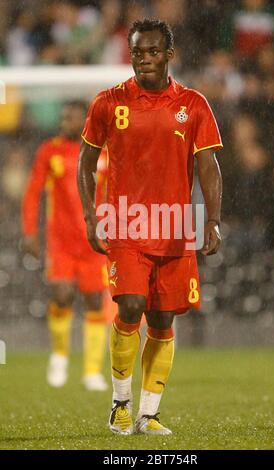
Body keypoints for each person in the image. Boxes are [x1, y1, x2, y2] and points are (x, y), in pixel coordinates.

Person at [78, 19, 222, 435]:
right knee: (131, 306)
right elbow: (86, 162)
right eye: (138, 51)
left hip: (176, 226)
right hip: (124, 223)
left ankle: (149, 414)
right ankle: (119, 405)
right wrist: (92, 214)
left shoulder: (193, 104)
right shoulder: (109, 102)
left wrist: (212, 218)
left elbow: (209, 165)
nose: (145, 59)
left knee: (162, 319)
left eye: (153, 51)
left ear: (169, 54)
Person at [22, 101, 113, 391]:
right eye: (63, 116)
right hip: (61, 242)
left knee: (95, 302)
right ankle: (60, 356)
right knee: (61, 296)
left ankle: (91, 371)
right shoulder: (50, 150)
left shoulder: (104, 152)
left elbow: (117, 191)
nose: (64, 121)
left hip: (95, 243)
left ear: (85, 121)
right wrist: (29, 233)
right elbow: (33, 192)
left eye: (70, 117)